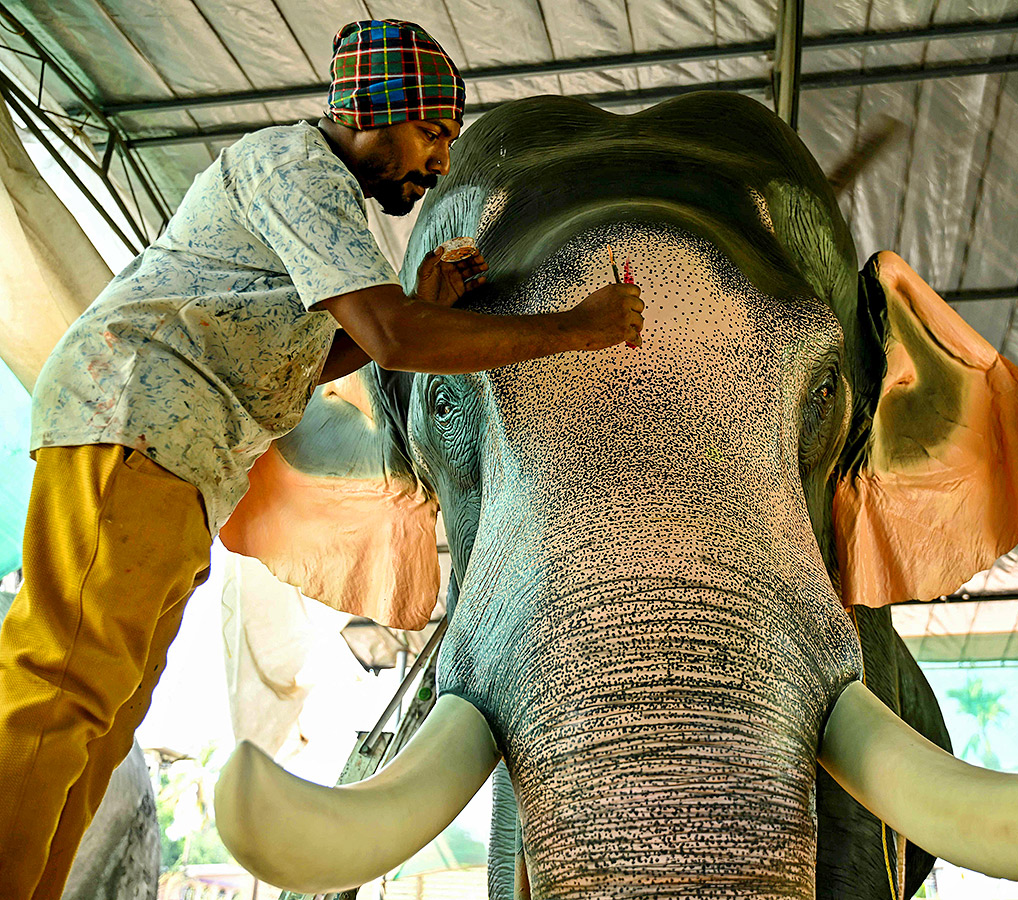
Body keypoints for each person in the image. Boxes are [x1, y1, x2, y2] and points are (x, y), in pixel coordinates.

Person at [0, 19, 643, 898]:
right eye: (433, 132)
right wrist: (578, 329)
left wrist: (414, 307)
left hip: (180, 456)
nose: (439, 164)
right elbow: (393, 338)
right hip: (132, 420)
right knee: (63, 684)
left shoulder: (322, 206)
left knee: (103, 713)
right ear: (372, 110)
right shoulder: (297, 167)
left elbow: (319, 356)